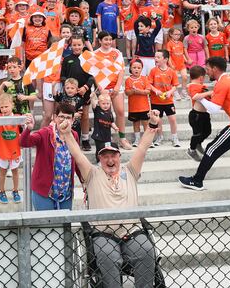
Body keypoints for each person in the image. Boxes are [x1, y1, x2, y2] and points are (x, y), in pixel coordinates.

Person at [58, 106, 161, 288]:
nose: (110, 160)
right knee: (108, 256)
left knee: (146, 250)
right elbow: (77, 154)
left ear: (119, 157)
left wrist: (152, 124)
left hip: (132, 231)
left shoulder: (130, 170)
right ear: (100, 159)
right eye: (105, 157)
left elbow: (143, 147)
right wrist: (66, 134)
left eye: (113, 155)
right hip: (103, 234)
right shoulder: (92, 173)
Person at [179, 56, 230, 198]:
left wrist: (201, 98)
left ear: (215, 69)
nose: (207, 72)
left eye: (208, 69)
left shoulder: (222, 83)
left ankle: (197, 181)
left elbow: (214, 109)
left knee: (211, 148)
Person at [20, 103, 79, 211]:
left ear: (73, 120)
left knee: (65, 225)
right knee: (47, 225)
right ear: (55, 117)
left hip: (66, 190)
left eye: (68, 117)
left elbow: (77, 159)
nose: (64, 120)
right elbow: (25, 142)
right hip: (44, 190)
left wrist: (84, 181)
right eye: (61, 116)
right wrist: (28, 129)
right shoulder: (45, 133)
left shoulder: (74, 135)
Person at [0, 93, 22, 204]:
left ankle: (15, 191)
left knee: (15, 171)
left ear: (12, 105)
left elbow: (26, 125)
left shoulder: (17, 117)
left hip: (15, 150)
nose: (4, 109)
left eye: (6, 106)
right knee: (2, 172)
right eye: (2, 107)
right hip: (3, 150)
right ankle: (2, 191)